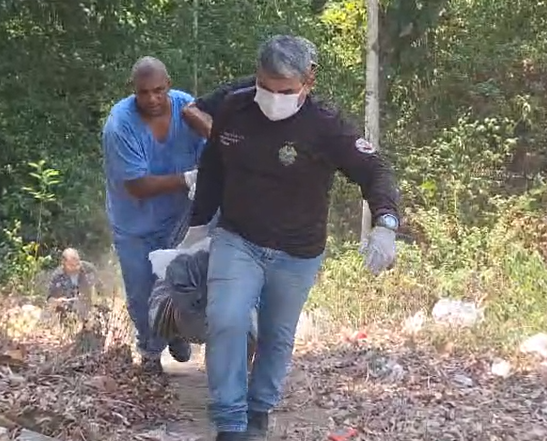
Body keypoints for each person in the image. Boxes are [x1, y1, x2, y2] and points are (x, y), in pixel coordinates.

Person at [177, 35, 401, 440]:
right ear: (256, 76)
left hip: (298, 252)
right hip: (238, 237)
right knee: (225, 319)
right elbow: (212, 167)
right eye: (266, 87)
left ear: (307, 82)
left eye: (286, 91)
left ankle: (259, 410)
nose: (274, 99)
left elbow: (375, 170)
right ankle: (230, 421)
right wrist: (197, 227)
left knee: (276, 335)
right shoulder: (234, 109)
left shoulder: (326, 126)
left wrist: (385, 224)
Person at [102, 56, 206, 374]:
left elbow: (212, 146)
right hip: (135, 223)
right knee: (141, 291)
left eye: (159, 90)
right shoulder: (120, 125)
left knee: (184, 280)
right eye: (144, 92)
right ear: (133, 90)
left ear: (169, 85)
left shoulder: (187, 108)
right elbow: (137, 185)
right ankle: (150, 352)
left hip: (181, 217)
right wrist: (188, 178)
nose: (152, 99)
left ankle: (177, 330)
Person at [181, 37, 318, 139]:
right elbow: (192, 110)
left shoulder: (317, 111)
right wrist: (224, 141)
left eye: (310, 68)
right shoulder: (244, 90)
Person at [46, 248, 102, 320]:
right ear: (63, 263)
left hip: (88, 311)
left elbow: (101, 290)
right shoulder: (57, 276)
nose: (76, 267)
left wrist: (97, 299)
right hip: (66, 314)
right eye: (72, 265)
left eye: (78, 264)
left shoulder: (89, 269)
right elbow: (49, 299)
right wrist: (57, 301)